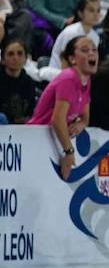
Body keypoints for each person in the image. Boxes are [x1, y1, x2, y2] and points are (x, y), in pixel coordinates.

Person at [26, 35, 96, 179]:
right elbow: (57, 120)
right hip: (36, 137)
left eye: (94, 49)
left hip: (53, 140)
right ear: (72, 59)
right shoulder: (68, 79)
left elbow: (85, 117)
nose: (91, 53)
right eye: (84, 50)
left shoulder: (86, 81)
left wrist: (82, 123)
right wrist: (69, 152)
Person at [48, 0, 102, 73]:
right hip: (59, 74)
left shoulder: (96, 36)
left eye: (98, 11)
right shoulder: (71, 32)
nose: (96, 14)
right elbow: (64, 61)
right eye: (91, 10)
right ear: (80, 13)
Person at [0, 37, 40, 123]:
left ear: (26, 59)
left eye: (20, 54)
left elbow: (31, 112)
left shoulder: (29, 82)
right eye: (10, 54)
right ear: (2, 60)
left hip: (22, 130)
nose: (15, 58)